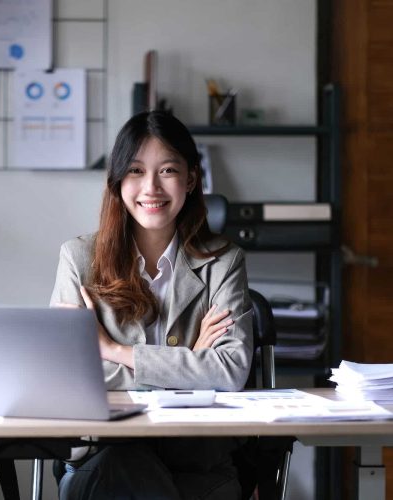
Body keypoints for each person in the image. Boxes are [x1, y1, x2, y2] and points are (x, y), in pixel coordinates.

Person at [50, 111, 253, 499]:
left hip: (195, 463)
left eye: (168, 171)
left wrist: (112, 351)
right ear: (118, 181)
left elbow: (230, 371)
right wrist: (188, 363)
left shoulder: (224, 262)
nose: (151, 187)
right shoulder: (78, 259)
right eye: (136, 170)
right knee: (121, 467)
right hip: (102, 454)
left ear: (191, 179)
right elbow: (67, 380)